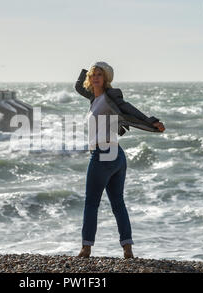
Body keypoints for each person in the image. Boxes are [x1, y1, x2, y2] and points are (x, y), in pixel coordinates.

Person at [74, 61, 165, 259]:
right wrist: (85, 70)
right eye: (92, 74)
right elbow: (78, 87)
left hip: (104, 154)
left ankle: (86, 248)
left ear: (106, 78)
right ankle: (127, 249)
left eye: (99, 74)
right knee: (117, 203)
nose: (95, 77)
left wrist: (151, 122)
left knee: (91, 203)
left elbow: (128, 109)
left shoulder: (109, 97)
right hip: (116, 155)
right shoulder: (94, 99)